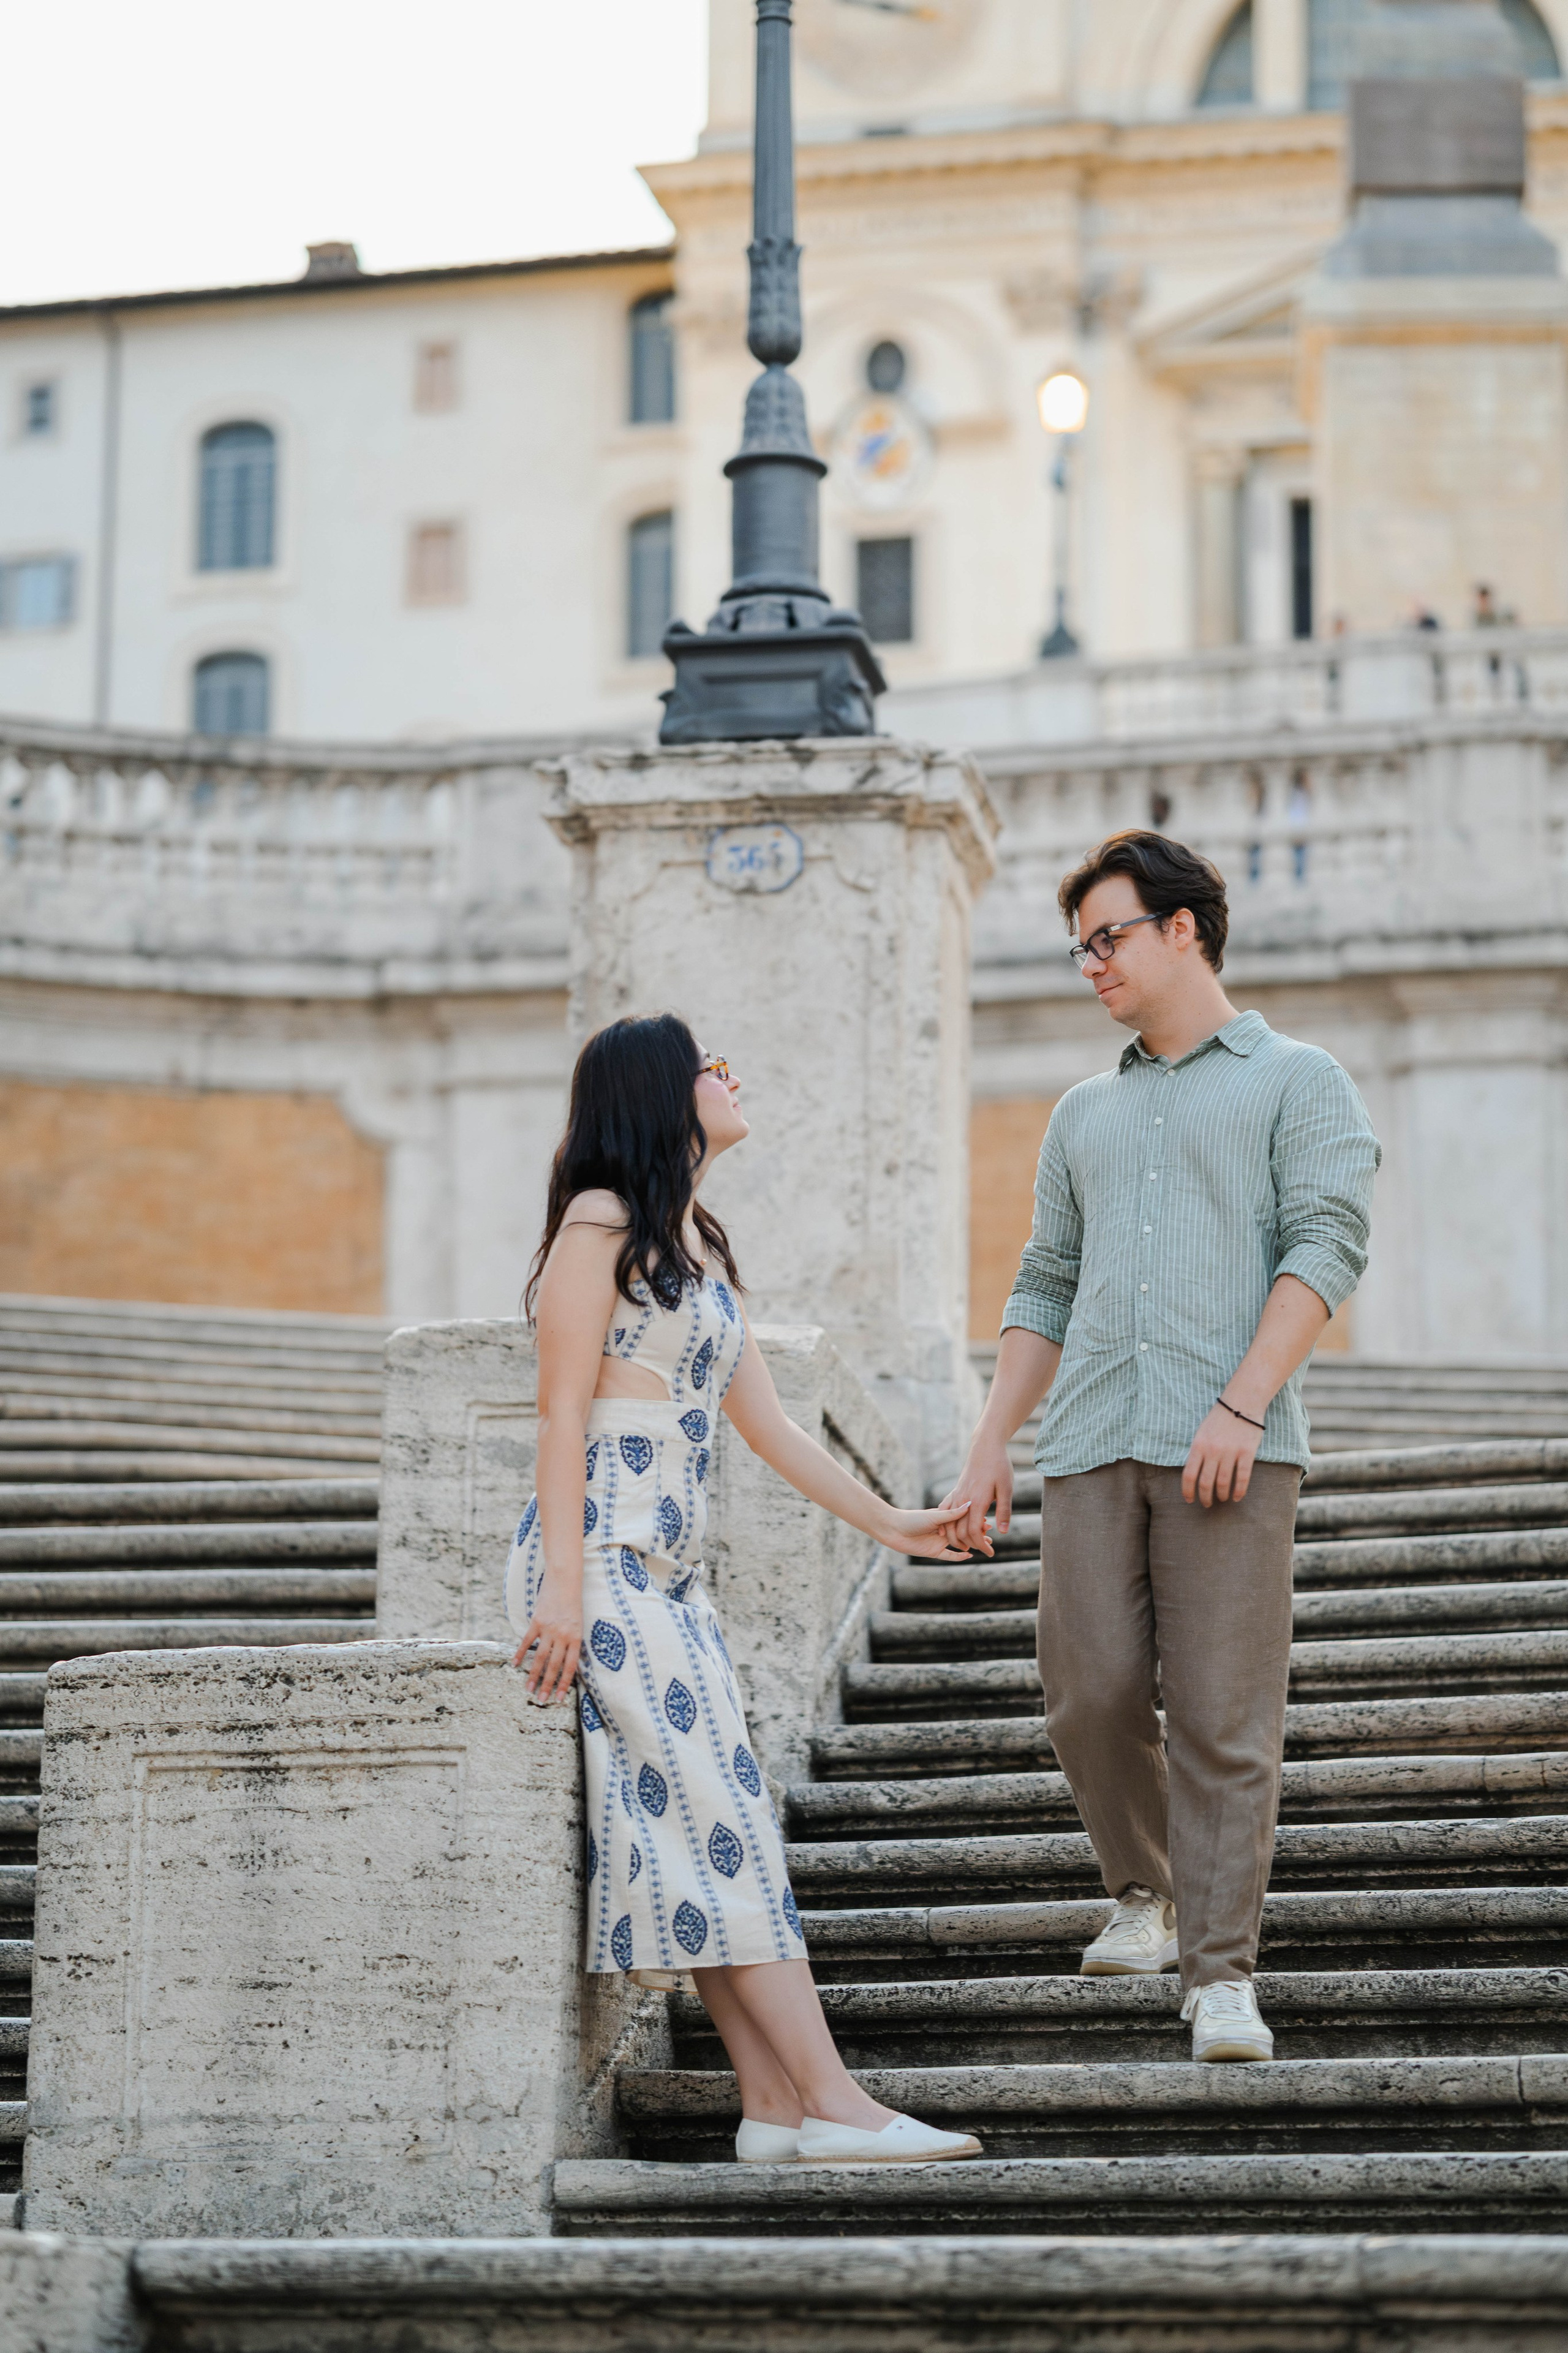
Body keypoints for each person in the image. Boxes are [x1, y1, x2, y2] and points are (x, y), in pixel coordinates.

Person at [505, 1012, 986, 2166]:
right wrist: (564, 1591)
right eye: (704, 1060)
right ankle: (837, 2103)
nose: (728, 1070)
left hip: (666, 1575)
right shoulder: (600, 1224)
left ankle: (773, 2106)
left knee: (709, 1829)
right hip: (601, 1565)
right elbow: (561, 1410)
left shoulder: (697, 1244)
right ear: (658, 1092)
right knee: (719, 1825)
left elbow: (769, 1428)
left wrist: (895, 1523)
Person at [944, 832, 1379, 2064]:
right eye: (1078, 943)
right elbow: (1043, 1280)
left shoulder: (1298, 1079)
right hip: (1087, 1438)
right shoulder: (1083, 1111)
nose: (1089, 963)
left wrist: (1240, 1402)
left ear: (1182, 928)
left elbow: (1323, 1249)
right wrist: (990, 1441)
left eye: (1107, 936)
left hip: (1228, 1443)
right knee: (1085, 1693)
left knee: (1220, 1715)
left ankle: (1221, 1975)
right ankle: (1146, 1889)